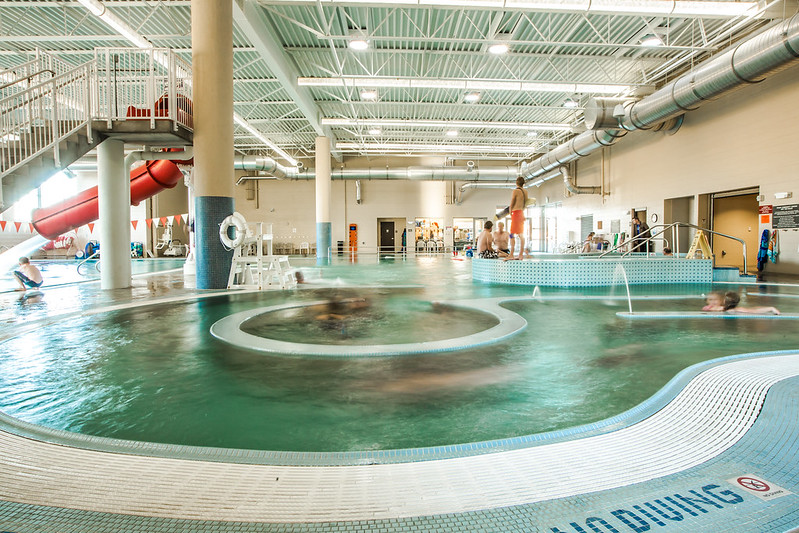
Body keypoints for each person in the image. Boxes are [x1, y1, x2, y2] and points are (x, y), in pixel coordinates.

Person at [506, 177, 528, 260]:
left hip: (516, 213)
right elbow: (525, 204)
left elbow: (512, 202)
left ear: (516, 183)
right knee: (521, 235)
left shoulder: (515, 191)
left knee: (511, 234)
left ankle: (511, 254)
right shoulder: (525, 192)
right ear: (523, 183)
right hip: (521, 213)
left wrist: (510, 212)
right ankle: (521, 254)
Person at [702, 291, 780, 314]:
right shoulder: (709, 308)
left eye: (715, 300)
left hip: (732, 310)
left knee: (751, 310)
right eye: (710, 300)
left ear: (722, 301)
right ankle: (769, 308)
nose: (713, 302)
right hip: (730, 310)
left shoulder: (721, 308)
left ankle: (771, 308)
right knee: (751, 309)